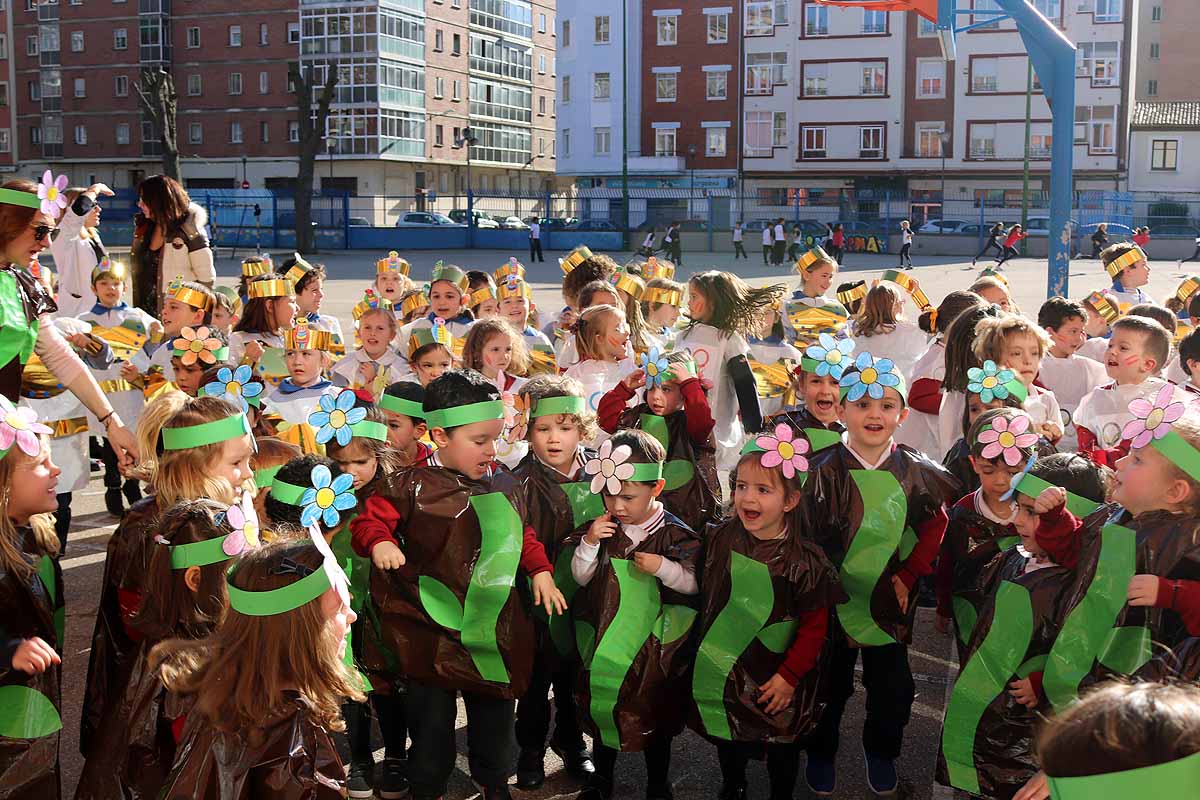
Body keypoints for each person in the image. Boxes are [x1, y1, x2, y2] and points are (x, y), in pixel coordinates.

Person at [350, 369, 567, 800]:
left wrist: (539, 569)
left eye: (495, 438)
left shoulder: (502, 479)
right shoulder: (408, 483)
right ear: (440, 436)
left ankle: (492, 782)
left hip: (492, 626)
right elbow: (368, 521)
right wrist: (379, 542)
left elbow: (518, 530)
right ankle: (426, 785)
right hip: (428, 629)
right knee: (430, 731)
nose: (491, 450)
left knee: (495, 721)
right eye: (479, 440)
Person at [798, 352, 959, 796]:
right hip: (831, 602)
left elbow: (935, 525)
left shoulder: (917, 470)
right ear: (843, 410)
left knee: (892, 690)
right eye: (863, 404)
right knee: (828, 685)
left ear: (902, 415)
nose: (875, 414)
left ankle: (882, 750)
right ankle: (821, 748)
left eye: (886, 405)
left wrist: (909, 576)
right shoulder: (819, 470)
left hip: (890, 599)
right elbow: (805, 537)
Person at [80, 395, 251, 770]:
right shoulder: (148, 527)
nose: (248, 474)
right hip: (170, 687)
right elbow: (131, 610)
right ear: (195, 468)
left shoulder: (222, 514)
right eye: (237, 463)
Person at [691, 436, 844, 800]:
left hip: (779, 674)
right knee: (729, 735)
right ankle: (733, 783)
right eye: (742, 486)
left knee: (782, 744)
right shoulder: (718, 538)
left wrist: (789, 677)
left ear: (790, 500)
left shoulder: (807, 561)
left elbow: (814, 629)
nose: (748, 498)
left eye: (763, 489)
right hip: (728, 665)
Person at [155, 536, 362, 798]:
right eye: (339, 609)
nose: (352, 615)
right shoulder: (292, 741)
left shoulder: (224, 686)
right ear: (299, 633)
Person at [568, 430, 701, 800]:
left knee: (654, 711)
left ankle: (657, 782)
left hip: (653, 646)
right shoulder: (605, 527)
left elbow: (692, 584)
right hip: (607, 636)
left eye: (628, 496)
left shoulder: (673, 532)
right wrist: (590, 542)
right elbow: (582, 578)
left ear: (657, 487)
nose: (618, 505)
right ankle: (602, 780)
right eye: (610, 494)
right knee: (604, 704)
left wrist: (662, 566)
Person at [74, 498, 236, 800]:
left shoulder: (178, 640)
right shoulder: (182, 669)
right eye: (234, 573)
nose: (244, 582)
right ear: (195, 579)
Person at [0, 176, 139, 463]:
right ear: (7, 222)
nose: (47, 242)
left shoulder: (24, 284)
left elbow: (59, 356)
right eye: (40, 231)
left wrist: (113, 423)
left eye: (49, 232)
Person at [511, 376, 602, 791]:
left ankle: (573, 746)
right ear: (528, 431)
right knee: (534, 683)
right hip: (537, 597)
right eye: (543, 428)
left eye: (564, 428)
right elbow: (520, 532)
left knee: (573, 680)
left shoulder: (602, 471)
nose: (554, 438)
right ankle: (530, 752)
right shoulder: (521, 480)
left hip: (587, 596)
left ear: (581, 430)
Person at [0, 399, 64, 799]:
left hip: (34, 705)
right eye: (41, 465)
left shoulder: (34, 538)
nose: (56, 470)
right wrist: (6, 649)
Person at [597, 349, 720, 531]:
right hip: (639, 512)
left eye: (666, 389)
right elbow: (607, 419)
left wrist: (690, 384)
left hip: (685, 514)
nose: (655, 396)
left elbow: (702, 418)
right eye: (651, 387)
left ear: (685, 392)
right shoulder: (640, 415)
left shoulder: (691, 423)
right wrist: (624, 389)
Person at [675, 271, 781, 469]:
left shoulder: (728, 340)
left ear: (714, 302)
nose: (688, 302)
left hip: (716, 429)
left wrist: (754, 426)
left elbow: (745, 383)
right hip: (683, 423)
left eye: (694, 297)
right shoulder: (682, 336)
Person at [1074, 315, 1182, 466]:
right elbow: (1086, 442)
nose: (1112, 352)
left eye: (1123, 348)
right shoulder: (1094, 398)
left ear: (1148, 364)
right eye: (1110, 346)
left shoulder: (1165, 398)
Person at [896, 291, 982, 459]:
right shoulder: (940, 360)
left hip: (930, 448)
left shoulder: (949, 354)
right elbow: (918, 397)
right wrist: (969, 403)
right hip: (925, 451)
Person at [129, 174, 214, 314]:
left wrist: (193, 316)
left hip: (178, 315)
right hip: (144, 314)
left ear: (158, 201)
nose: (139, 204)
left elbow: (207, 280)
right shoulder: (144, 229)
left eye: (144, 199)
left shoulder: (190, 232)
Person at [972, 314, 1063, 443]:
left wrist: (1053, 432)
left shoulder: (1046, 398)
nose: (1027, 361)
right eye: (1016, 353)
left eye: (1034, 353)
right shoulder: (987, 397)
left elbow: (1053, 441)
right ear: (993, 357)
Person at [1036, 296, 1108, 451]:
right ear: (1050, 332)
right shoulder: (1033, 367)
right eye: (1073, 331)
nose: (1079, 337)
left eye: (1081, 331)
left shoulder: (1089, 368)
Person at [50, 183, 114, 318]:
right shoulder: (64, 236)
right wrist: (95, 189)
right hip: (76, 315)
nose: (99, 209)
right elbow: (78, 211)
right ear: (69, 209)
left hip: (100, 311)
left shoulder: (93, 236)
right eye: (93, 205)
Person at [1100, 241, 1151, 312]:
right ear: (1127, 270)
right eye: (1143, 264)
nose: (1148, 269)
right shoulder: (1101, 300)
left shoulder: (1146, 299)